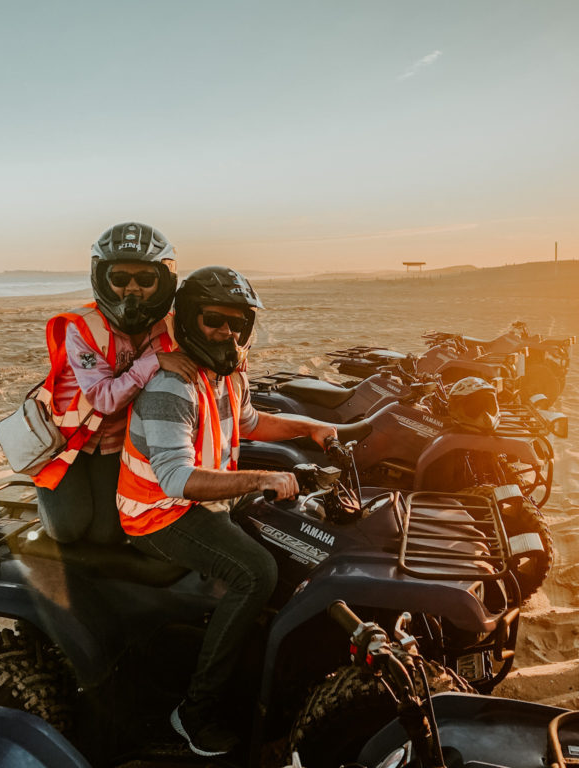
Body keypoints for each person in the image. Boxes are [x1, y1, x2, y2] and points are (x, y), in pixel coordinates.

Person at [116, 266, 337, 757]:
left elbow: (251, 421)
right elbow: (176, 479)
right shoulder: (169, 387)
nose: (228, 333)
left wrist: (310, 428)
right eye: (214, 320)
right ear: (190, 320)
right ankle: (195, 713)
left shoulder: (228, 372)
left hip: (209, 499)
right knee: (255, 572)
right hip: (158, 512)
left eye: (238, 324)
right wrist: (261, 479)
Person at [33, 222, 198, 544]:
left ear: (163, 281)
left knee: (108, 534)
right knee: (67, 530)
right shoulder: (82, 327)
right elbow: (104, 399)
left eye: (146, 280)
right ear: (103, 280)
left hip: (117, 443)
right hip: (68, 443)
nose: (132, 289)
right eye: (120, 279)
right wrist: (153, 362)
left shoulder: (171, 328)